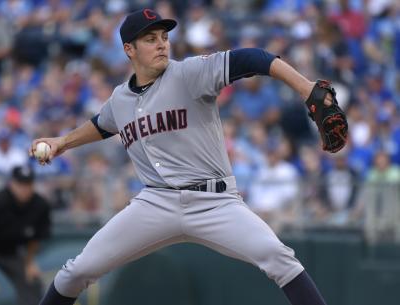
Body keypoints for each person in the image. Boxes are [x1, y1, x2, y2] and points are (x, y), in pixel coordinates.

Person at [31, 8, 341, 305]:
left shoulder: (189, 73)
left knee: (279, 259)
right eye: (150, 39)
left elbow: (253, 58)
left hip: (215, 202)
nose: (161, 44)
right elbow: (102, 124)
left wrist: (305, 88)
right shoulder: (120, 99)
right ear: (129, 49)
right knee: (77, 271)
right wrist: (62, 142)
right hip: (155, 203)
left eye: (163, 37)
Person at [0, 165, 51, 305]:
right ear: (11, 183)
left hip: (12, 252)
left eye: (28, 184)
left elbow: (36, 238)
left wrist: (30, 263)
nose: (24, 189)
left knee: (32, 280)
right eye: (21, 184)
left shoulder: (40, 205)